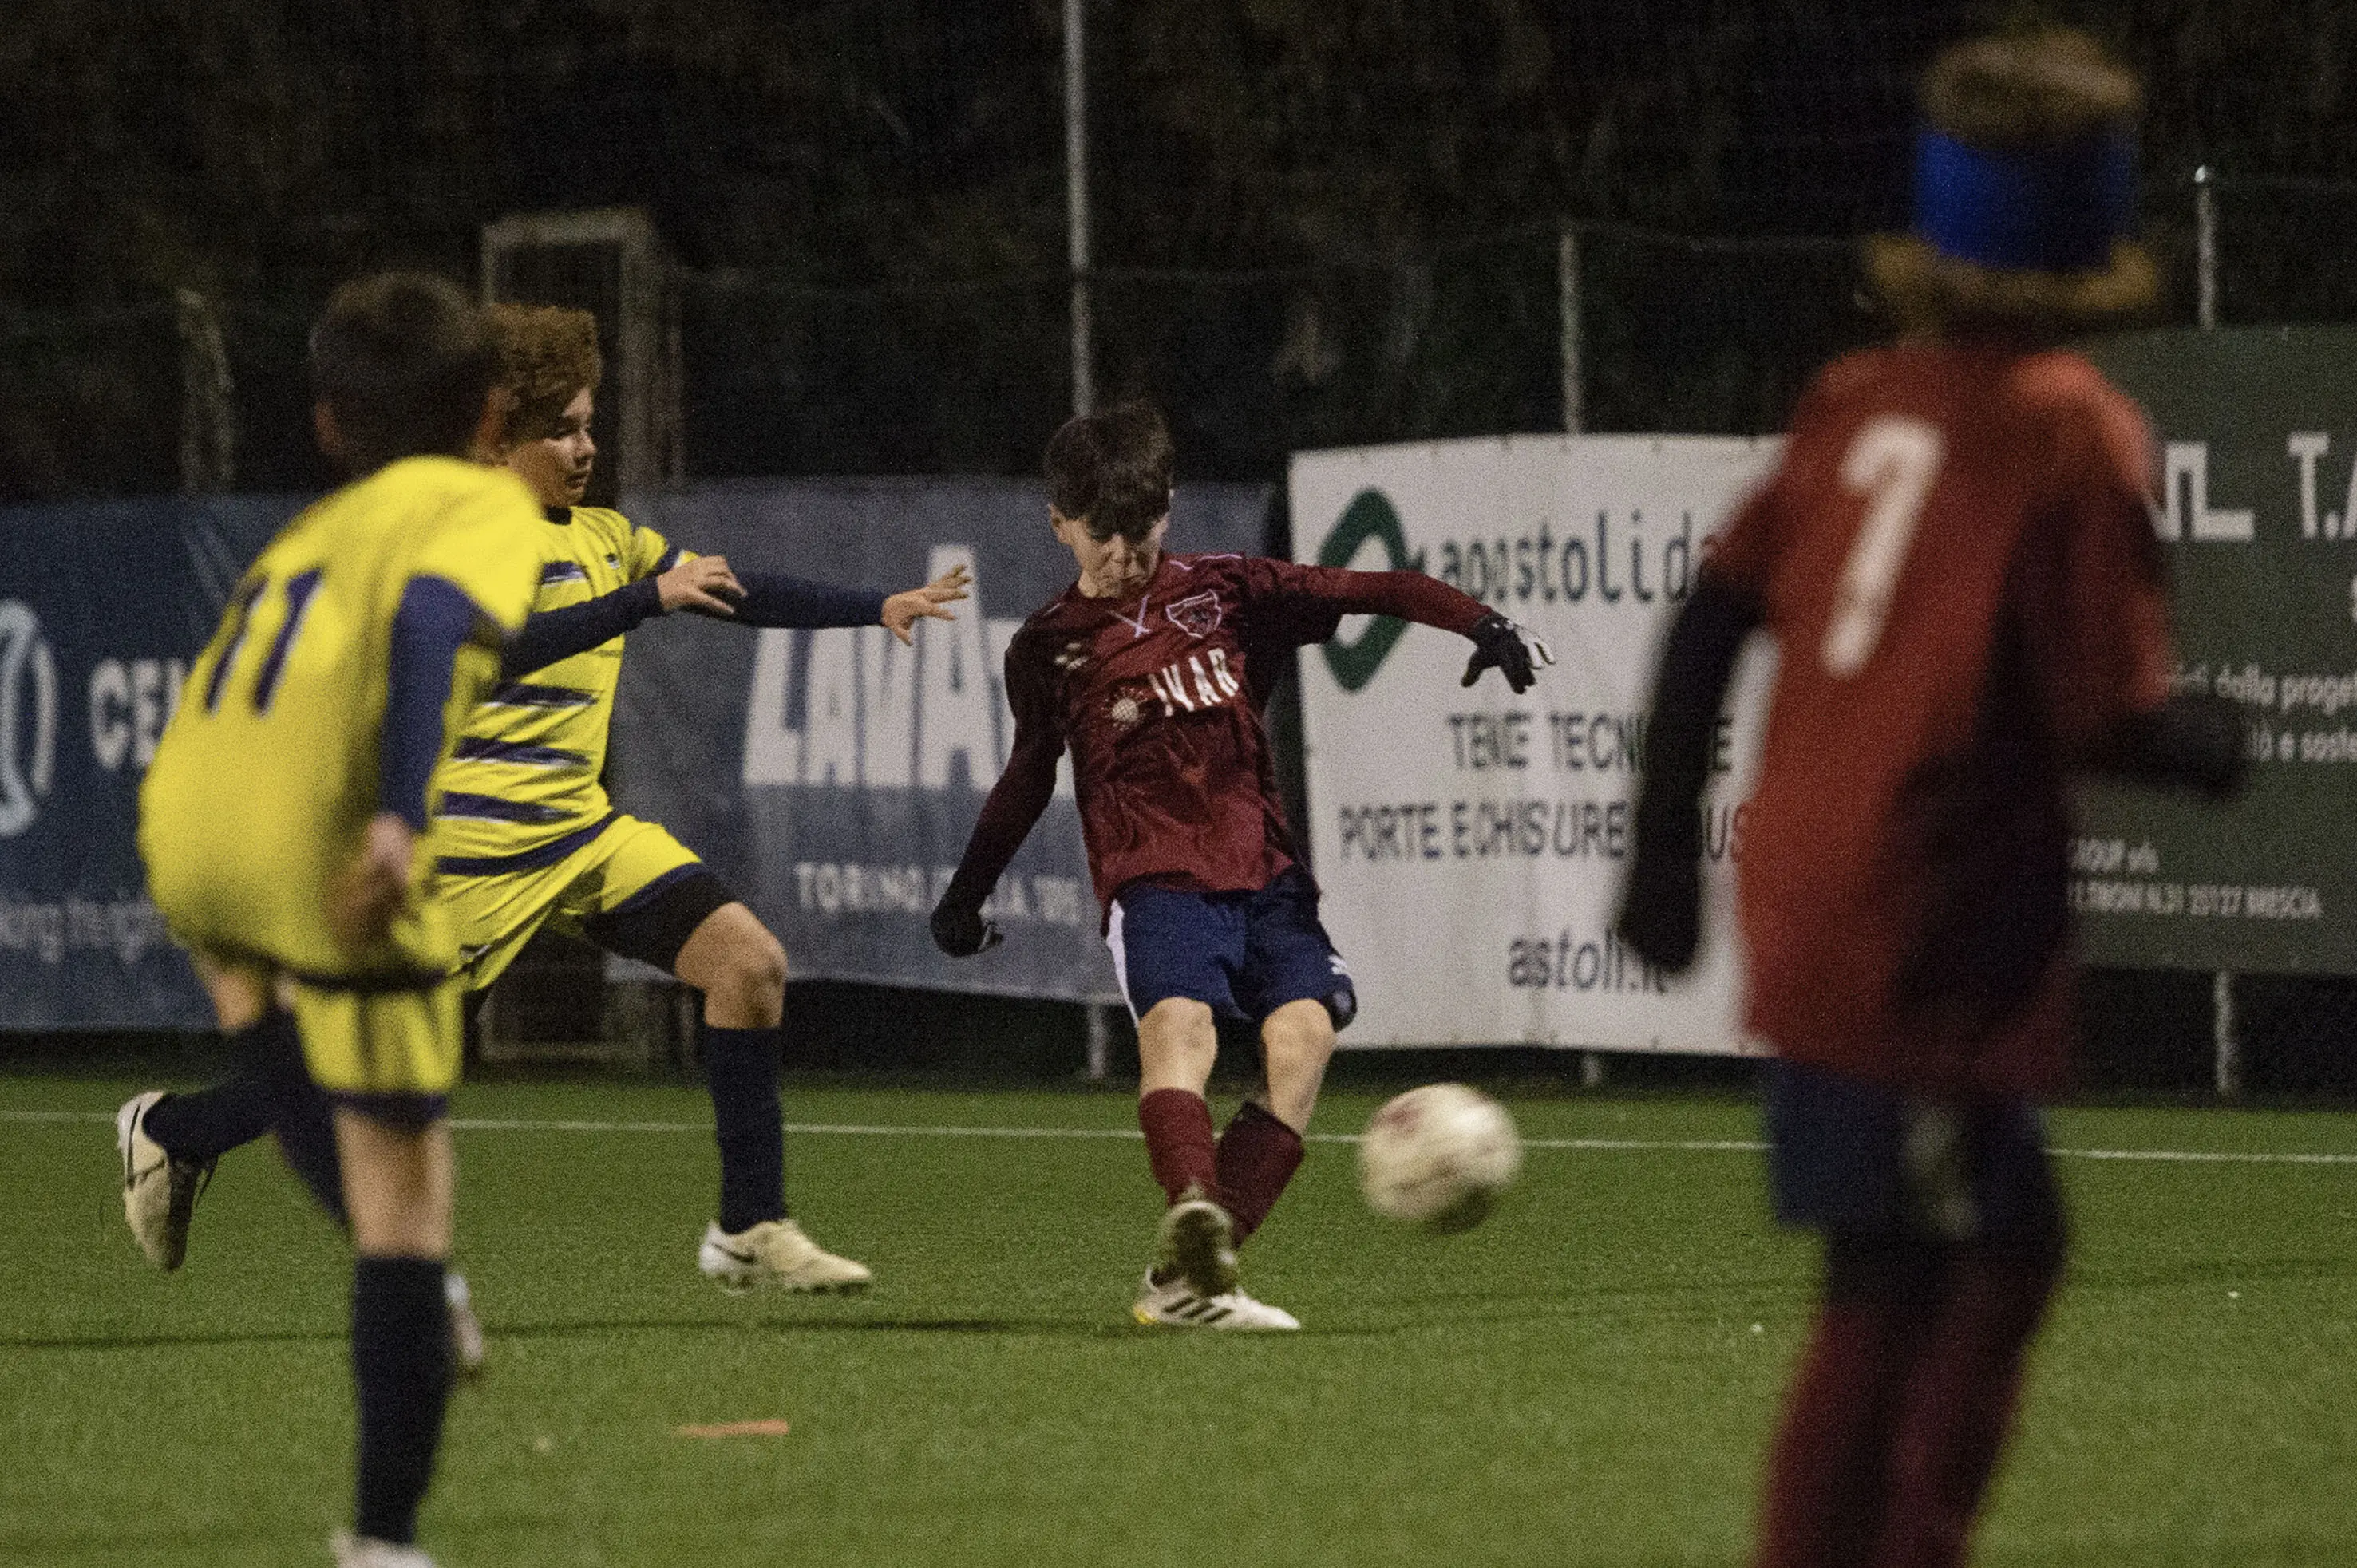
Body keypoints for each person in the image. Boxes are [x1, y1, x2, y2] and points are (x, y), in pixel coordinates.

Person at [1615, 31, 2245, 1568]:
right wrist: (2204, 742)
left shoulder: (1854, 396)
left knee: (1952, 1255)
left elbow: (1705, 622)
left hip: (1822, 891)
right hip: (1930, 911)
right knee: (1918, 1281)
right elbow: (2103, 712)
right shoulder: (2066, 426)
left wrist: (1658, 859)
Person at [120, 302, 970, 1298]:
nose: (585, 447)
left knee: (748, 964)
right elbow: (502, 642)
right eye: (561, 429)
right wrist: (640, 601)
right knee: (361, 1076)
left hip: (579, 836)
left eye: (589, 423)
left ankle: (749, 1226)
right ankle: (172, 1131)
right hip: (470, 856)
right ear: (496, 436)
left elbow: (729, 588)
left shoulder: (608, 537)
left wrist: (874, 608)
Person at [930, 401, 1549, 1329]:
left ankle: (1186, 1284)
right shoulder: (1049, 647)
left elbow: (1372, 589)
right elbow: (1028, 774)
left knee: (1303, 1038)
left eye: (1141, 529)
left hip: (1265, 871)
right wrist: (963, 898)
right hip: (1155, 877)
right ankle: (1191, 1206)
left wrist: (1480, 623)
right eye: (1102, 534)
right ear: (1059, 523)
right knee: (1182, 1029)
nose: (1124, 553)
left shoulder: (1226, 590)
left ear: (1167, 509)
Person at [133, 272, 544, 1568]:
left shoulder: (307, 531)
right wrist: (401, 824)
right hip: (319, 836)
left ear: (326, 426)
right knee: (407, 1206)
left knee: (278, 1052)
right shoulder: (481, 500)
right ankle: (381, 1541)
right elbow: (431, 624)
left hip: (190, 816)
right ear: (491, 412)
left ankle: (415, 1295)